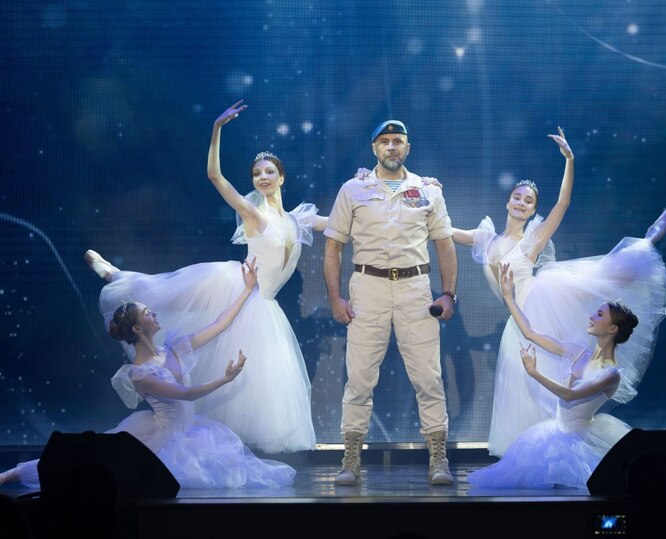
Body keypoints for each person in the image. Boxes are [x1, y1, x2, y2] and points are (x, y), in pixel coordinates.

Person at [82, 101, 321, 453]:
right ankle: (117, 276)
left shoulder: (299, 219)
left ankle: (234, 457)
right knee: (165, 293)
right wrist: (216, 129)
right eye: (257, 173)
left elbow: (345, 221)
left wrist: (370, 184)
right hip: (238, 286)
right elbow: (215, 177)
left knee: (261, 385)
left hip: (266, 306)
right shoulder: (254, 214)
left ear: (281, 177)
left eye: (269, 171)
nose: (263, 177)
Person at [0, 259, 296, 490]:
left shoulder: (176, 347)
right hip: (160, 437)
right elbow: (185, 394)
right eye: (147, 313)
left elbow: (220, 324)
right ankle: (13, 473)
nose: (154, 314)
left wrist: (247, 289)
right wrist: (225, 379)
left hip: (189, 431)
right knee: (89, 458)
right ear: (138, 328)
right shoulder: (139, 375)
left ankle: (113, 273)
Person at [323, 119, 458, 486]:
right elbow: (333, 247)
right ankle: (351, 459)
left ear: (407, 148)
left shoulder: (428, 191)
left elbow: (444, 244)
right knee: (360, 378)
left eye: (398, 140)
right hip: (368, 288)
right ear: (375, 148)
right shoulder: (353, 189)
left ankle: (438, 458)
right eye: (385, 141)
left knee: (428, 377)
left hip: (415, 289)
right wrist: (335, 297)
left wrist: (448, 293)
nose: (392, 146)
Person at [450, 128, 573, 456]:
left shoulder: (532, 241)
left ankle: (550, 456)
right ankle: (523, 458)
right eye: (517, 197)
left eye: (528, 201)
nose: (521, 203)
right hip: (514, 325)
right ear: (508, 202)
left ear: (532, 211)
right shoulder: (486, 238)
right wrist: (427, 191)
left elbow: (562, 203)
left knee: (542, 393)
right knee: (517, 395)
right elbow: (442, 229)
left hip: (537, 321)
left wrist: (569, 160)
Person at [467, 264, 640, 489]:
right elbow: (530, 333)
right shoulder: (578, 352)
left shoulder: (611, 374)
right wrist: (508, 296)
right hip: (554, 432)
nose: (591, 317)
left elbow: (569, 395)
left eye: (599, 314)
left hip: (577, 442)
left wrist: (534, 372)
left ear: (612, 329)